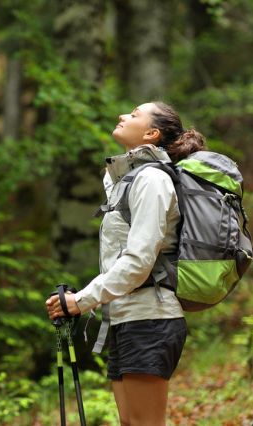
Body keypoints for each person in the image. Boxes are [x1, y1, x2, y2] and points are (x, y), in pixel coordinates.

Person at [45, 101, 205, 426]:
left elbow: (138, 262)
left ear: (151, 133)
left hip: (151, 321)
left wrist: (82, 301)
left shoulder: (152, 181)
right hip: (126, 320)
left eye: (133, 115)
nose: (122, 116)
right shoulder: (125, 181)